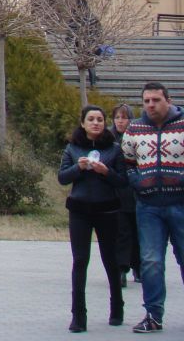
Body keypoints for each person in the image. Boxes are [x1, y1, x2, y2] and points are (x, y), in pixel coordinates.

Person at [121, 82, 184, 334]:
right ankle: (153, 315)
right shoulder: (134, 129)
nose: (150, 105)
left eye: (156, 100)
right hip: (148, 206)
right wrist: (137, 181)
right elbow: (127, 163)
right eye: (146, 101)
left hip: (180, 203)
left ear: (168, 100)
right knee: (151, 262)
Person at [58, 104, 126, 332]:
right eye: (91, 119)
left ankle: (117, 306)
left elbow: (122, 181)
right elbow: (62, 178)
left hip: (107, 210)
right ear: (83, 123)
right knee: (80, 261)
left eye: (99, 119)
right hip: (79, 211)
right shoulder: (73, 148)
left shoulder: (114, 149)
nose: (96, 123)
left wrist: (105, 172)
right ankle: (78, 315)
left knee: (110, 260)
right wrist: (78, 168)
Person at [111, 103, 142, 287]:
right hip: (117, 192)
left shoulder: (137, 136)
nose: (120, 121)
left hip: (136, 191)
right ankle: (121, 269)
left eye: (124, 117)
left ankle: (138, 267)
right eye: (117, 117)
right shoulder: (108, 138)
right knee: (121, 232)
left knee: (137, 231)